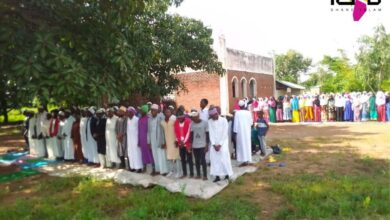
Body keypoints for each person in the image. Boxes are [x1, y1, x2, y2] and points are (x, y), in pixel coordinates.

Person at [208, 108, 234, 182]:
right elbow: (211, 133)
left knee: (224, 158)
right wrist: (213, 144)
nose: (213, 117)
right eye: (212, 116)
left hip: (223, 142)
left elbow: (224, 133)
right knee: (214, 159)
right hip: (214, 143)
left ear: (217, 114)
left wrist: (220, 144)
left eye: (214, 115)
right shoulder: (210, 121)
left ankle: (227, 175)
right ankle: (217, 176)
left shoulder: (223, 120)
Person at [148, 104, 168, 176]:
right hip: (153, 140)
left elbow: (164, 131)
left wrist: (163, 141)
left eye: (154, 110)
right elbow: (149, 131)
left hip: (160, 140)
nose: (152, 111)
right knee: (155, 155)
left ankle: (164, 170)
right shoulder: (150, 119)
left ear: (157, 111)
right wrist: (149, 142)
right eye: (151, 110)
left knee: (161, 155)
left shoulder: (161, 118)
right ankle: (157, 170)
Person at [161, 108, 180, 178]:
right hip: (168, 142)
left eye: (168, 112)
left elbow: (178, 129)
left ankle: (178, 172)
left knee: (176, 157)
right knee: (169, 157)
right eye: (166, 112)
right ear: (164, 113)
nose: (167, 113)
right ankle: (171, 171)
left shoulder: (174, 119)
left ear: (171, 113)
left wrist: (177, 140)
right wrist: (164, 142)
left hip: (174, 141)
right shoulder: (162, 122)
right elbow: (163, 133)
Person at [189, 110, 209, 180]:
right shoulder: (191, 124)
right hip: (195, 145)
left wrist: (206, 144)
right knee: (196, 160)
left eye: (195, 117)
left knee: (203, 160)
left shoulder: (205, 123)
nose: (194, 119)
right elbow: (191, 135)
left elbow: (207, 134)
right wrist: (191, 144)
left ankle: (205, 175)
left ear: (198, 116)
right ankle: (198, 174)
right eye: (193, 118)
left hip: (202, 145)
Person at [174, 110, 194, 178]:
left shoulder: (188, 121)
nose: (179, 119)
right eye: (178, 118)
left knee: (189, 159)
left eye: (180, 118)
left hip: (187, 143)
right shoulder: (176, 123)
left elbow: (189, 133)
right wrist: (178, 141)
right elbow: (176, 133)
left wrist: (184, 142)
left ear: (183, 117)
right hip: (180, 144)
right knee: (182, 159)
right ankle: (184, 173)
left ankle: (191, 173)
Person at [234, 100, 253, 167]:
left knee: (241, 146)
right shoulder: (248, 113)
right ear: (244, 105)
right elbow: (251, 123)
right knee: (247, 145)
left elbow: (236, 124)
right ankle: (248, 160)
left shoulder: (237, 113)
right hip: (247, 132)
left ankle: (244, 160)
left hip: (240, 133)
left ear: (239, 106)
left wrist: (235, 132)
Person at [139, 105, 155, 173]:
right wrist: (138, 140)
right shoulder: (139, 119)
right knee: (143, 153)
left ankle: (153, 168)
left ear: (144, 111)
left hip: (147, 139)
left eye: (141, 110)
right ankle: (144, 167)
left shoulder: (149, 118)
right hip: (141, 139)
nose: (140, 111)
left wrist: (150, 141)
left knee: (150, 153)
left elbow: (150, 130)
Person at [126, 107, 143, 172]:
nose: (129, 113)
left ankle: (139, 167)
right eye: (128, 112)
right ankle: (132, 167)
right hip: (130, 140)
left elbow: (139, 131)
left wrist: (139, 140)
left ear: (133, 113)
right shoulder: (128, 120)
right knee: (130, 153)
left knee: (137, 153)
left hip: (136, 139)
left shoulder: (137, 119)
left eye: (130, 112)